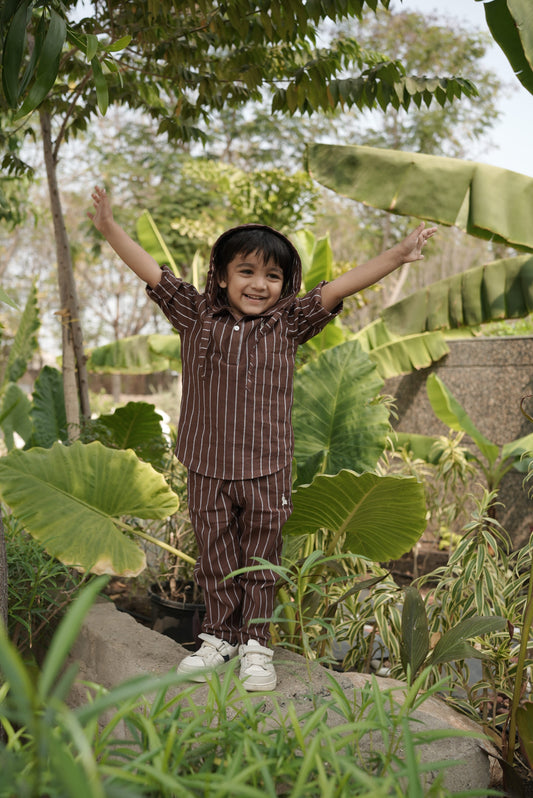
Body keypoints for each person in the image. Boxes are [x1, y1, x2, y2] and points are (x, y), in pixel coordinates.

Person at [89, 185, 436, 691]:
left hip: (266, 465)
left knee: (261, 560)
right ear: (223, 276)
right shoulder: (194, 314)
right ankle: (219, 640)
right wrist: (109, 228)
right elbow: (151, 270)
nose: (259, 284)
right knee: (215, 557)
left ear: (284, 284)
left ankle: (256, 647)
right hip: (207, 463)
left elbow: (341, 287)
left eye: (272, 276)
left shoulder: (288, 323)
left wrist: (400, 253)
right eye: (246, 272)